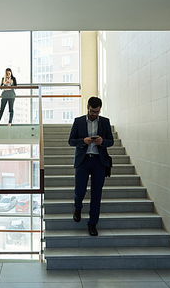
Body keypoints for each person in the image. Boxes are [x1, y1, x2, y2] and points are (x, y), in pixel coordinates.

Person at [68, 97, 114, 236]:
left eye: (97, 112)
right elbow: (71, 141)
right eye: (93, 111)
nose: (95, 114)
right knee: (80, 190)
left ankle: (92, 223)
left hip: (99, 162)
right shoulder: (78, 121)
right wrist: (83, 141)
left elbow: (110, 141)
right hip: (83, 161)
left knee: (96, 193)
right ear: (87, 108)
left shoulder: (105, 122)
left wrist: (102, 142)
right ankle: (78, 207)